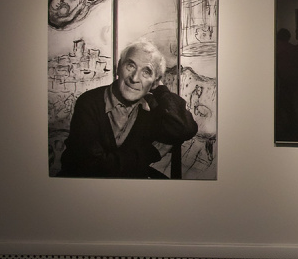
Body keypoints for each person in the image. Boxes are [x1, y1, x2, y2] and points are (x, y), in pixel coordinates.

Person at [60, 38, 198, 178]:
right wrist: (151, 152)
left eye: (146, 72)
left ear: (155, 81)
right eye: (130, 66)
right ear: (118, 67)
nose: (134, 78)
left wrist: (161, 90)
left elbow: (186, 128)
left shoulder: (151, 106)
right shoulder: (89, 102)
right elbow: (92, 166)